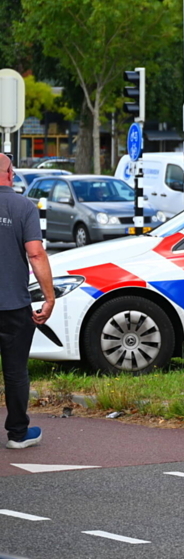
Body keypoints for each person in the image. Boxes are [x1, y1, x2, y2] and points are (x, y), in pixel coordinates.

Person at [0, 153, 55, 449]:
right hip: (13, 305)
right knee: (15, 371)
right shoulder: (23, 207)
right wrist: (48, 297)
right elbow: (35, 254)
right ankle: (18, 434)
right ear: (10, 174)